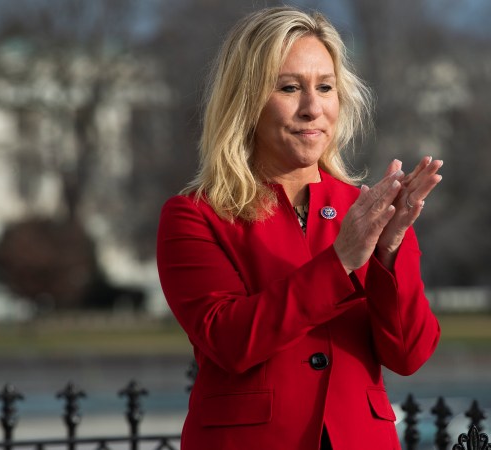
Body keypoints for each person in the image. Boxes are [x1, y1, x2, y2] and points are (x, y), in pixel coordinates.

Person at [157, 6, 443, 450]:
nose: (313, 108)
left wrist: (390, 251)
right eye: (290, 88)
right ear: (245, 100)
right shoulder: (195, 214)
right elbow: (230, 341)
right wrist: (341, 260)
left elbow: (409, 354)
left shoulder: (367, 210)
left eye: (325, 87)